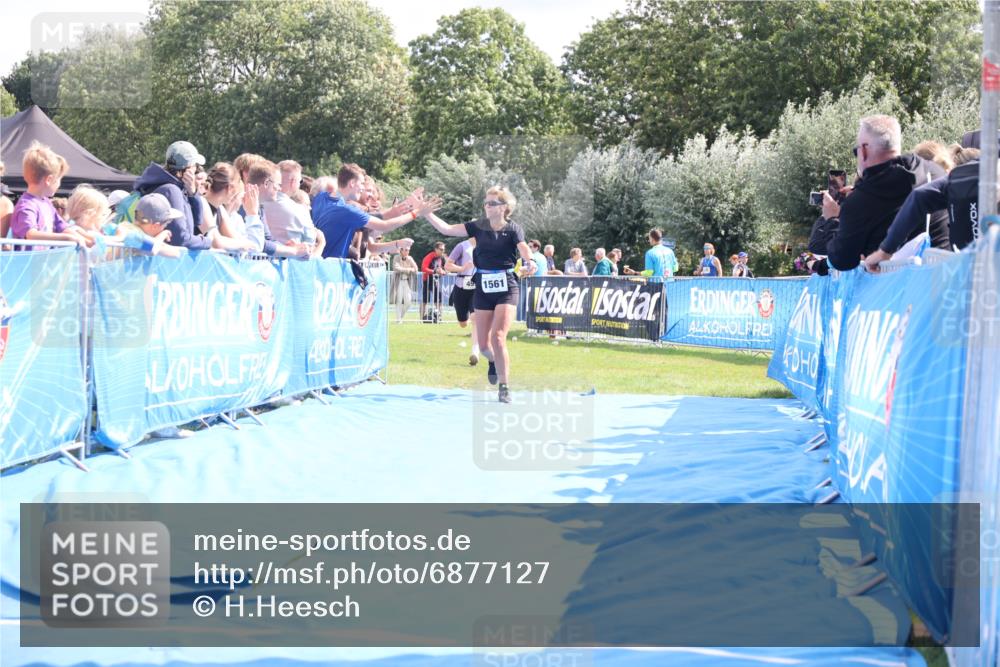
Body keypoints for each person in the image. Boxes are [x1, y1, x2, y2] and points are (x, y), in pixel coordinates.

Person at [422, 186, 536, 403]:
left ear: (504, 207)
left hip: (507, 285)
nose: (487, 206)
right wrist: (427, 213)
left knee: (498, 336)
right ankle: (493, 361)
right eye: (485, 202)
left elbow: (524, 249)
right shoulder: (477, 227)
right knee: (484, 346)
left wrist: (529, 262)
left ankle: (504, 386)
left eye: (492, 203)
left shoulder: (513, 229)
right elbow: (446, 229)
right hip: (482, 286)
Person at [808, 115, 949, 274]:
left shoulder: (860, 202)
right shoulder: (936, 173)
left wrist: (833, 218)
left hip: (895, 292)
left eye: (856, 151)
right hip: (944, 283)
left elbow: (842, 259)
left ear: (865, 150)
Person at [135, 141, 253, 252]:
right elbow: (181, 238)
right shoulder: (172, 190)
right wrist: (207, 242)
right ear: (188, 169)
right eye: (195, 166)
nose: (196, 169)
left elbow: (197, 220)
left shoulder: (176, 189)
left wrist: (192, 193)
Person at [313, 163, 433, 259]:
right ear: (352, 183)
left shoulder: (320, 198)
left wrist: (394, 211)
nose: (363, 188)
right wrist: (416, 212)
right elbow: (384, 226)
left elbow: (375, 221)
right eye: (361, 184)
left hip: (316, 265)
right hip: (330, 273)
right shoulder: (346, 210)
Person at [205, 162, 309, 260]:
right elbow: (257, 246)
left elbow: (264, 241)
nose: (279, 188)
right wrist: (292, 251)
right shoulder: (241, 204)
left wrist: (289, 250)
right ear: (266, 183)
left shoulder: (259, 207)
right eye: (277, 184)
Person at [9, 141, 92, 250]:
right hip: (27, 265)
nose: (59, 184)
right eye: (59, 179)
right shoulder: (26, 206)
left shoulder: (47, 203)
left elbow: (62, 227)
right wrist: (68, 238)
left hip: (43, 264)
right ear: (49, 180)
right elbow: (31, 235)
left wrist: (85, 239)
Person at [251, 160, 325, 256]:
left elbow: (267, 240)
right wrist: (321, 242)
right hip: (289, 264)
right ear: (293, 182)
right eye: (300, 181)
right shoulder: (300, 210)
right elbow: (309, 244)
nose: (279, 187)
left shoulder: (259, 205)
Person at [445, 237, 481, 365]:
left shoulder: (486, 245)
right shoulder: (462, 246)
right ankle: (463, 319)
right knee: (463, 323)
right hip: (461, 286)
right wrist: (462, 268)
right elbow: (447, 266)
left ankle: (475, 351)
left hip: (477, 287)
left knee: (475, 317)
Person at [420, 241, 447, 322]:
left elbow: (445, 268)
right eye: (441, 249)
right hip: (427, 280)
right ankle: (421, 319)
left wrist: (444, 272)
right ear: (436, 249)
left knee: (439, 300)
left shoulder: (442, 258)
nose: (443, 251)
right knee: (425, 300)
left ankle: (439, 318)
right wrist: (435, 271)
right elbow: (424, 268)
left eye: (443, 249)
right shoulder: (429, 256)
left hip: (436, 281)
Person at [391, 246, 419, 323]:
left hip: (407, 281)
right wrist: (409, 269)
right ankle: (398, 319)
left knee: (408, 302)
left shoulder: (410, 258)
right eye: (406, 250)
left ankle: (400, 317)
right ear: (401, 250)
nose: (407, 252)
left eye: (408, 250)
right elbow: (396, 268)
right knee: (398, 300)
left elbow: (416, 269)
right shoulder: (396, 257)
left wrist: (406, 270)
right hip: (398, 281)